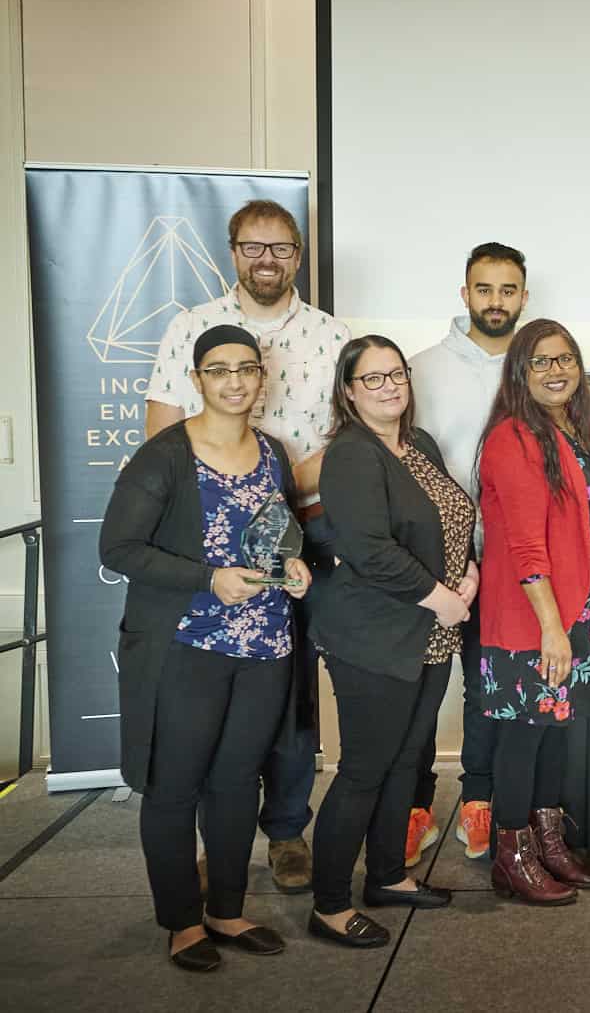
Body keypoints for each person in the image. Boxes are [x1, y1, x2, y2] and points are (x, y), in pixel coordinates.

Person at [145, 199, 349, 894]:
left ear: (298, 254)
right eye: (253, 246)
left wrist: (274, 485)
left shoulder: (330, 334)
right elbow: (162, 435)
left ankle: (288, 830)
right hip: (209, 539)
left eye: (282, 247)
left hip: (306, 526)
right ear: (233, 250)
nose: (268, 258)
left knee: (289, 691)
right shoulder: (189, 327)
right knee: (210, 693)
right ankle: (219, 835)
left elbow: (343, 439)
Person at [102, 325, 312, 970]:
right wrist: (207, 578)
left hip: (264, 647)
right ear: (197, 380)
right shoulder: (165, 455)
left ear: (261, 376)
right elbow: (118, 548)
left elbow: (275, 533)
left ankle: (226, 910)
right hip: (186, 646)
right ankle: (182, 923)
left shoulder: (274, 453)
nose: (234, 381)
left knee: (234, 784)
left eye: (246, 368)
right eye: (218, 370)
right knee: (174, 787)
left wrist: (294, 566)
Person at [307, 335, 471, 947]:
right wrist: (443, 598)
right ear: (348, 391)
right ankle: (327, 905)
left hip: (429, 634)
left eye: (395, 374)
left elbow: (452, 517)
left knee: (408, 760)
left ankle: (387, 876)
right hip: (374, 637)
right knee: (364, 770)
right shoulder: (350, 454)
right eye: (371, 379)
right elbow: (368, 550)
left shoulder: (418, 444)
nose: (389, 387)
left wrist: (470, 572)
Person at [476, 319, 590, 906]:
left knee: (556, 730)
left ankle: (547, 842)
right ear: (519, 372)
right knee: (523, 735)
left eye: (566, 359)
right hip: (535, 617)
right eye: (540, 361)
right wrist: (551, 628)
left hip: (584, 609)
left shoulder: (582, 429)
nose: (556, 370)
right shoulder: (513, 437)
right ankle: (511, 858)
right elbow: (524, 546)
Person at [405, 242, 529, 867]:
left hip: (505, 562)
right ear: (465, 295)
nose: (496, 302)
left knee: (484, 686)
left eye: (508, 291)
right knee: (423, 687)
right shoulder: (420, 369)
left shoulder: (536, 370)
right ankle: (415, 804)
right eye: (485, 289)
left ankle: (478, 799)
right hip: (431, 561)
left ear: (524, 298)